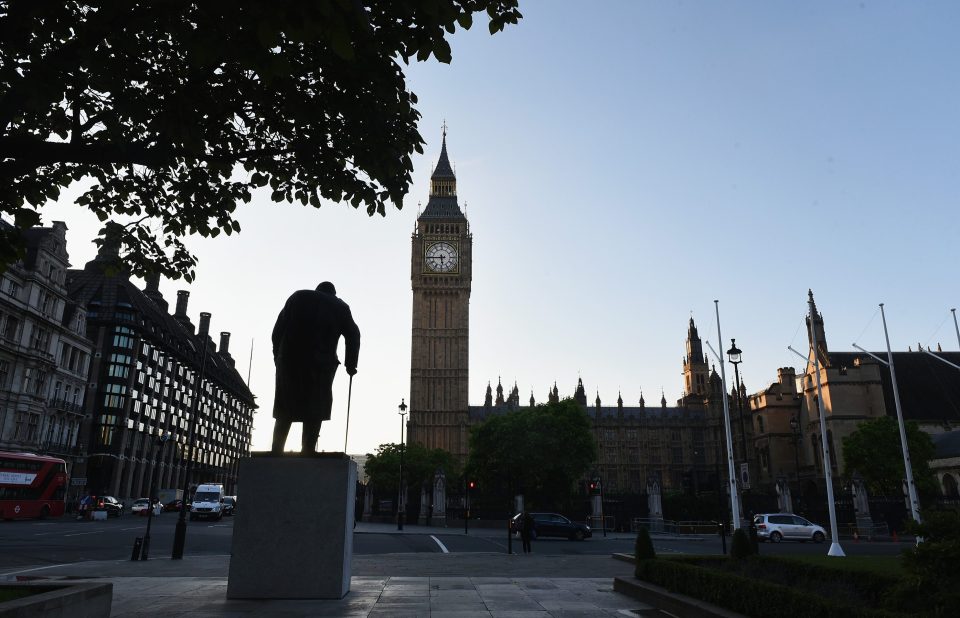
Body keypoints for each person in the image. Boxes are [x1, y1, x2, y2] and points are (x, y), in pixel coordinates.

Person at [271, 281, 360, 454]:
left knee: (285, 405)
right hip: (321, 363)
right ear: (333, 293)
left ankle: (276, 449)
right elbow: (354, 335)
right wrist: (351, 364)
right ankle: (308, 449)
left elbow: (277, 331)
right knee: (316, 405)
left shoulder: (297, 296)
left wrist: (278, 356)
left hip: (290, 360)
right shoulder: (340, 306)